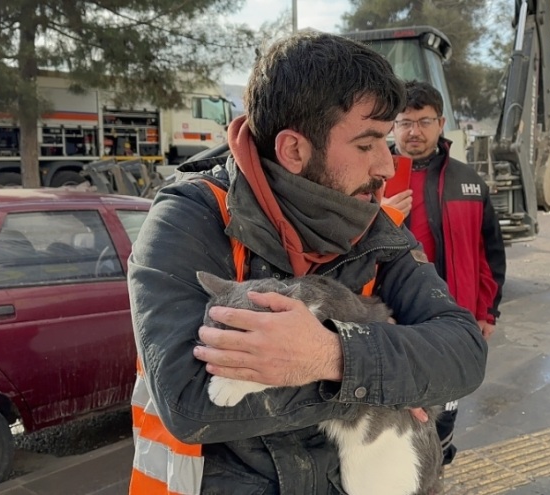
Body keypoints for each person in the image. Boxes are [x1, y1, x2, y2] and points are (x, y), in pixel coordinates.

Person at [127, 31, 488, 494]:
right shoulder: (186, 222)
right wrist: (386, 381)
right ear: (294, 150)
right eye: (367, 144)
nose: (386, 165)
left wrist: (332, 356)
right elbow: (191, 404)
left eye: (386, 141)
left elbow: (462, 352)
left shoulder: (370, 223)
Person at [382, 80, 506, 467]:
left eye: (423, 121)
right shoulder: (370, 177)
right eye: (404, 122)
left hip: (456, 320)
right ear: (392, 125)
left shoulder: (468, 182)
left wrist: (487, 312)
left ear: (441, 123)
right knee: (390, 422)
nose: (413, 132)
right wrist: (378, 213)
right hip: (390, 323)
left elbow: (490, 253)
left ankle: (437, 467)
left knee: (443, 415)